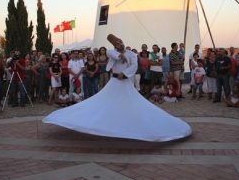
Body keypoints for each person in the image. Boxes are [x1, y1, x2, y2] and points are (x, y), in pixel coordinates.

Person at [43, 34, 192, 142]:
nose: (120, 44)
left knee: (130, 102)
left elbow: (134, 65)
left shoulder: (132, 54)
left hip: (124, 80)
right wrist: (119, 56)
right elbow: (109, 53)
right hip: (114, 81)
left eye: (121, 42)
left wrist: (124, 73)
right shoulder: (111, 52)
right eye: (118, 43)